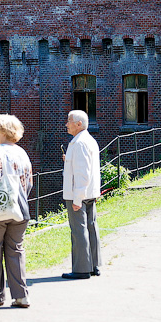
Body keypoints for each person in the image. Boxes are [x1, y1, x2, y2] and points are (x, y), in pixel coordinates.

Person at [0, 114, 34, 308]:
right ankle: (21, 296)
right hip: (20, 209)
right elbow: (29, 182)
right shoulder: (22, 153)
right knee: (16, 251)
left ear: (2, 131)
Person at [61, 109, 102, 279]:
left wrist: (77, 198)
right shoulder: (88, 140)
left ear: (79, 124)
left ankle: (81, 269)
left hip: (79, 194)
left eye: (69, 121)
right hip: (90, 192)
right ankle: (93, 265)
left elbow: (82, 173)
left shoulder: (78, 143)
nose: (66, 124)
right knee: (91, 227)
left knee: (79, 231)